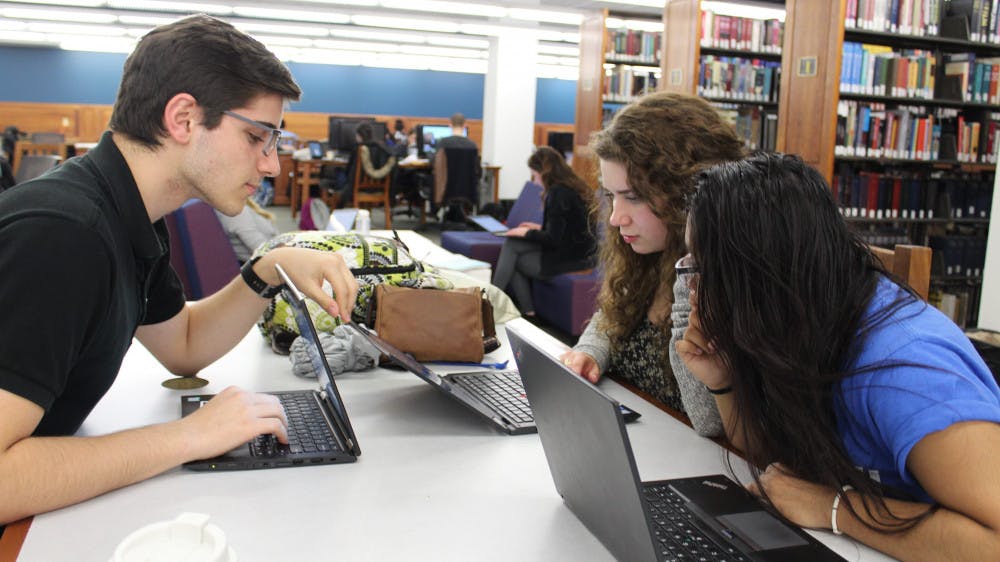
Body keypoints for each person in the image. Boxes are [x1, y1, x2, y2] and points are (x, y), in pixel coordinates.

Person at [0, 15, 359, 525]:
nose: (272, 165)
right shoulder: (65, 235)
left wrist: (269, 266)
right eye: (259, 136)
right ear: (185, 118)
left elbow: (185, 345)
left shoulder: (128, 213)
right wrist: (190, 436)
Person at [677, 152, 1000, 560]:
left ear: (757, 276)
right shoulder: (801, 320)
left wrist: (833, 508)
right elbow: (774, 458)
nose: (692, 286)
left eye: (702, 268)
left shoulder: (905, 367)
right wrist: (722, 379)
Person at [559, 92, 743, 433]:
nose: (615, 218)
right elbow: (613, 316)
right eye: (611, 196)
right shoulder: (646, 256)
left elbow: (709, 424)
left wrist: (689, 273)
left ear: (690, 194)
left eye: (633, 197)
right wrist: (590, 351)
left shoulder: (729, 284)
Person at [492, 147, 596, 317]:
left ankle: (492, 302)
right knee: (512, 252)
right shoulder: (570, 188)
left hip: (570, 260)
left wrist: (524, 233)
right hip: (579, 255)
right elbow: (567, 231)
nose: (534, 181)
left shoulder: (558, 194)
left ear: (544, 172)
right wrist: (537, 228)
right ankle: (527, 311)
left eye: (535, 174)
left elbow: (553, 239)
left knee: (512, 248)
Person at [333, 121, 395, 207]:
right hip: (380, 188)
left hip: (358, 188)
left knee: (337, 174)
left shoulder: (359, 149)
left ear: (359, 136)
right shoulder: (383, 148)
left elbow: (350, 172)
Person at [215, 198, 280, 263]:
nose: (258, 187)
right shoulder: (236, 212)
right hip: (265, 263)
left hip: (272, 256)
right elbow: (261, 248)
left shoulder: (240, 206)